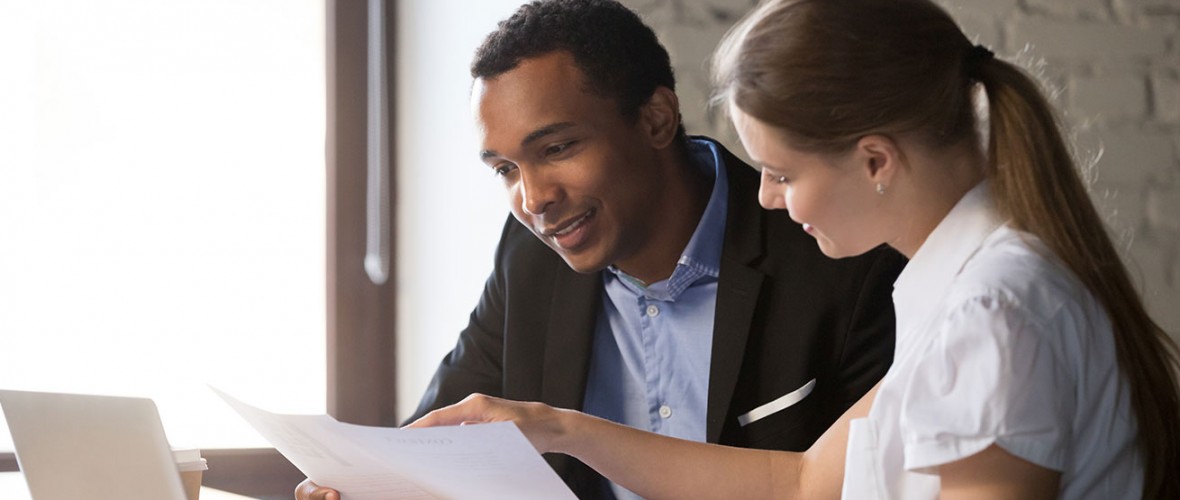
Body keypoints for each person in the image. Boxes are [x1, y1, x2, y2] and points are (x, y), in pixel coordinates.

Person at [409, 0, 1180, 498]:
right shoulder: (960, 290)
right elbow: (806, 481)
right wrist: (559, 427)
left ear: (875, 161)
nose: (767, 197)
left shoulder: (994, 311)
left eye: (781, 172)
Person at [296, 0, 904, 499]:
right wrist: (369, 484)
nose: (533, 199)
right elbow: (440, 440)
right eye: (506, 168)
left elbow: (869, 485)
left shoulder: (841, 258)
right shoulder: (532, 254)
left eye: (557, 148)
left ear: (657, 120)